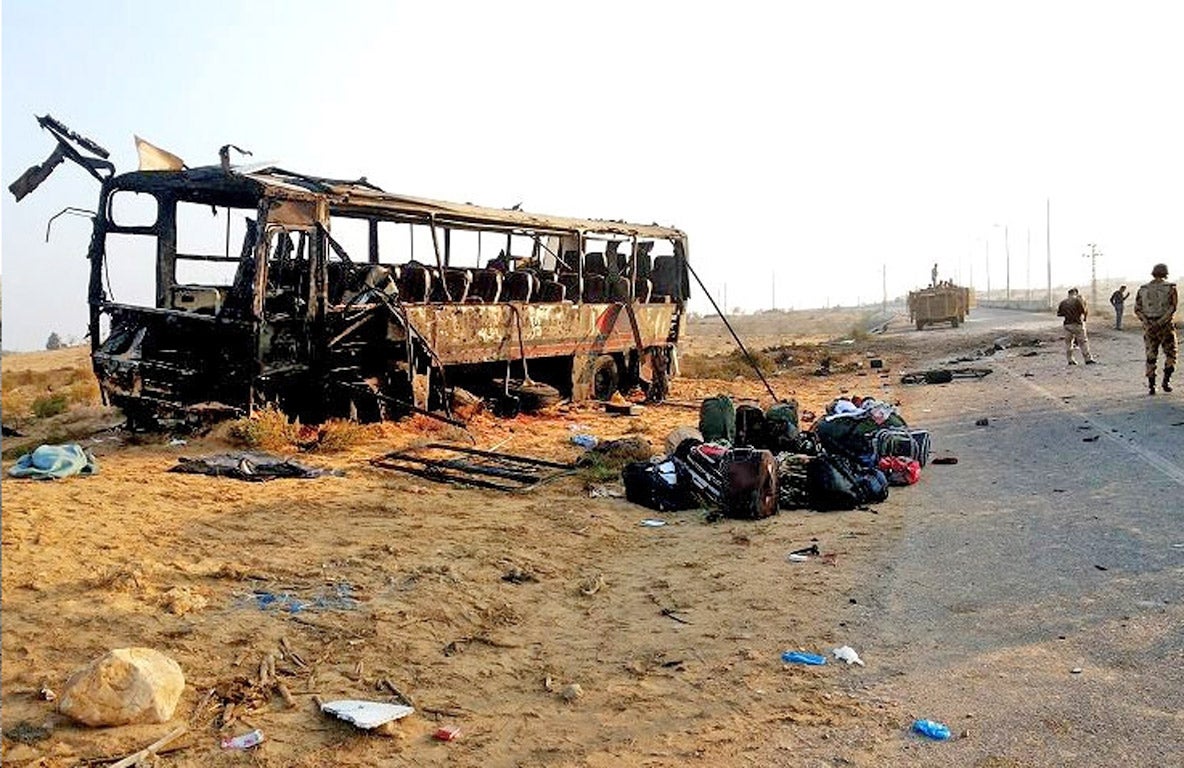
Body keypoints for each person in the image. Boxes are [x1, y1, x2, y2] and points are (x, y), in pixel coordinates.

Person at [1134, 263, 1178, 394]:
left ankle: (1152, 386)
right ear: (1166, 273)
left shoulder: (1143, 289)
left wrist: (1147, 322)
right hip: (1165, 326)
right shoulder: (1170, 288)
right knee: (1171, 354)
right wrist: (1161, 321)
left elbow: (1137, 309)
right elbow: (1173, 307)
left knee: (1151, 355)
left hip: (1149, 327)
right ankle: (1166, 382)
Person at [1057, 288, 1096, 365]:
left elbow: (1059, 314)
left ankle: (1070, 360)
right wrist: (1084, 319)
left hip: (1067, 324)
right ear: (1076, 293)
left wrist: (1068, 313)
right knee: (1083, 342)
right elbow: (1083, 311)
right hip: (1077, 323)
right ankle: (1087, 359)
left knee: (1068, 343)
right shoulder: (1078, 301)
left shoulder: (1063, 302)